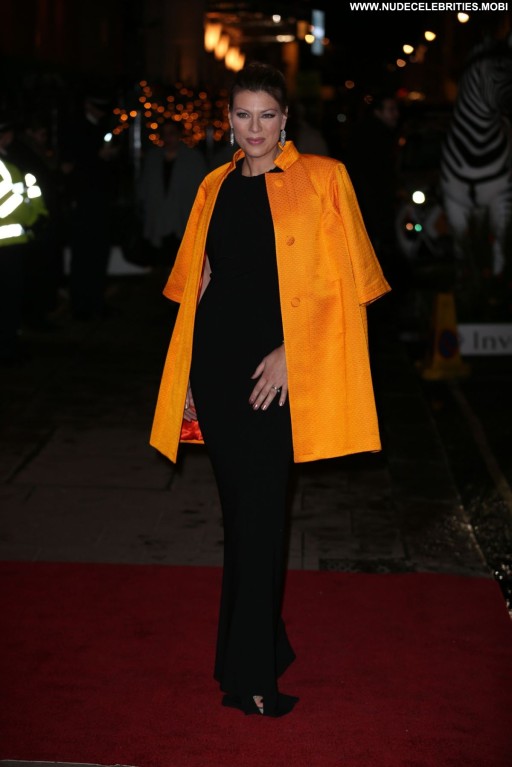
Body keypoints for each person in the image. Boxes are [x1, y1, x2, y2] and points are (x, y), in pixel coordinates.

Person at [150, 62, 390, 718]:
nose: (254, 128)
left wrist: (294, 353)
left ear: (286, 120)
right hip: (219, 368)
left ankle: (250, 672)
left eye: (266, 115)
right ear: (228, 120)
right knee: (242, 517)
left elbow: (348, 283)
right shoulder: (213, 186)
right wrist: (188, 380)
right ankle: (258, 649)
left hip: (277, 375)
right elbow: (198, 284)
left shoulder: (326, 179)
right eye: (242, 115)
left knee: (260, 518)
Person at [60, 90, 119, 320]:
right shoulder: (75, 129)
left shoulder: (101, 126)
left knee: (98, 252)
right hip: (84, 200)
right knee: (84, 253)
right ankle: (82, 304)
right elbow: (70, 167)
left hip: (99, 199)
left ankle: (95, 301)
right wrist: (98, 157)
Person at [0, 114, 48, 363]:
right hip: (8, 244)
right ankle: (8, 348)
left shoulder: (11, 162)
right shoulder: (5, 165)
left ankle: (10, 344)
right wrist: (33, 219)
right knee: (9, 297)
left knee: (10, 297)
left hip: (13, 241)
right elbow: (11, 202)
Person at [137, 120, 207, 266]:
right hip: (158, 217)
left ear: (179, 134)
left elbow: (202, 189)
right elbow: (145, 189)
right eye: (165, 134)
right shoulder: (153, 158)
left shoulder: (193, 158)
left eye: (172, 133)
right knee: (160, 261)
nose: (168, 138)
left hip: (183, 216)